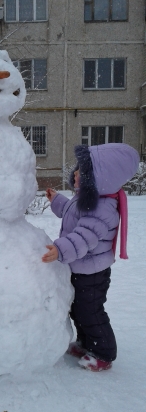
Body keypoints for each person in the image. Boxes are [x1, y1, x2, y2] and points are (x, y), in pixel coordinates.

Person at [42, 143, 139, 372]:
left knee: (90, 312)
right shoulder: (88, 197)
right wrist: (57, 200)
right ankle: (87, 344)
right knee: (78, 309)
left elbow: (86, 237)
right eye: (77, 169)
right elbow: (72, 214)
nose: (75, 174)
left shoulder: (102, 206)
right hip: (82, 268)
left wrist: (60, 249)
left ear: (101, 179)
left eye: (82, 172)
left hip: (92, 273)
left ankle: (103, 352)